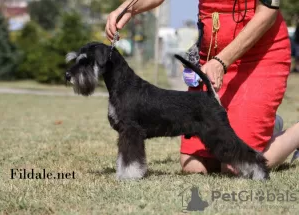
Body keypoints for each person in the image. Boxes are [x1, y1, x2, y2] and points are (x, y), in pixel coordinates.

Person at [105, 0, 299, 174]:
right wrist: (127, 9)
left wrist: (222, 61)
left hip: (259, 56)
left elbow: (268, 12)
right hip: (211, 57)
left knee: (234, 169)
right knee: (194, 167)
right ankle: (267, 126)